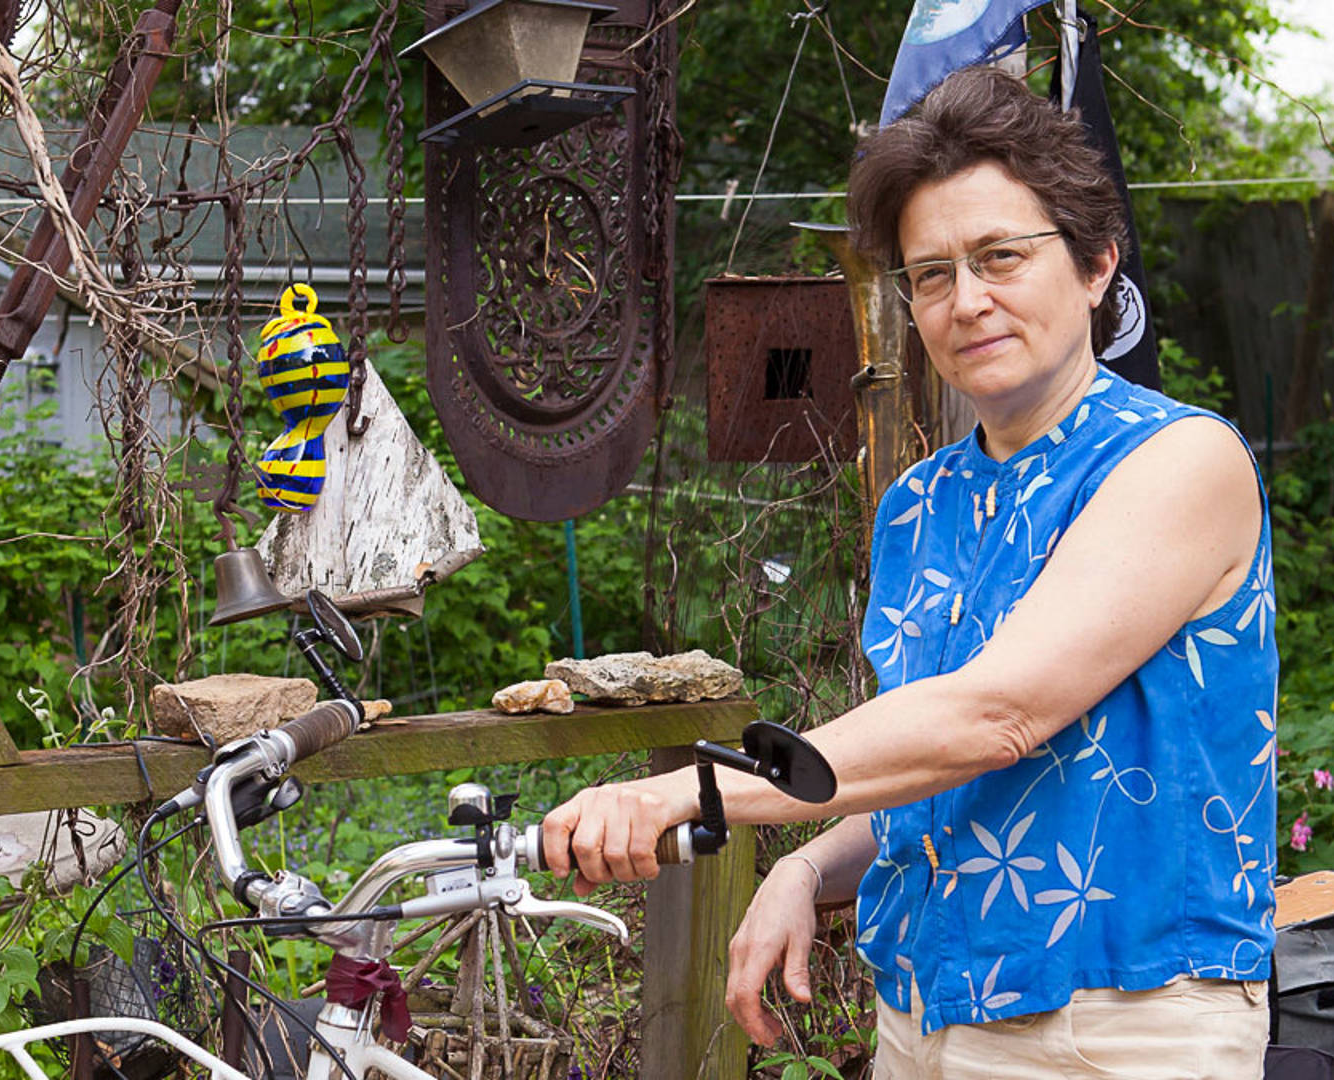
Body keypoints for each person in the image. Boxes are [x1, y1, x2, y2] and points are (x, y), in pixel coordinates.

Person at [540, 66, 1277, 1079]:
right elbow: (933, 782)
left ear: (1098, 264)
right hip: (923, 1018)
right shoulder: (919, 504)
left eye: (1000, 257)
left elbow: (995, 714)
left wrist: (695, 794)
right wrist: (806, 865)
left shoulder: (1177, 462)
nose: (967, 300)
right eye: (932, 274)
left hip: (1118, 1024)